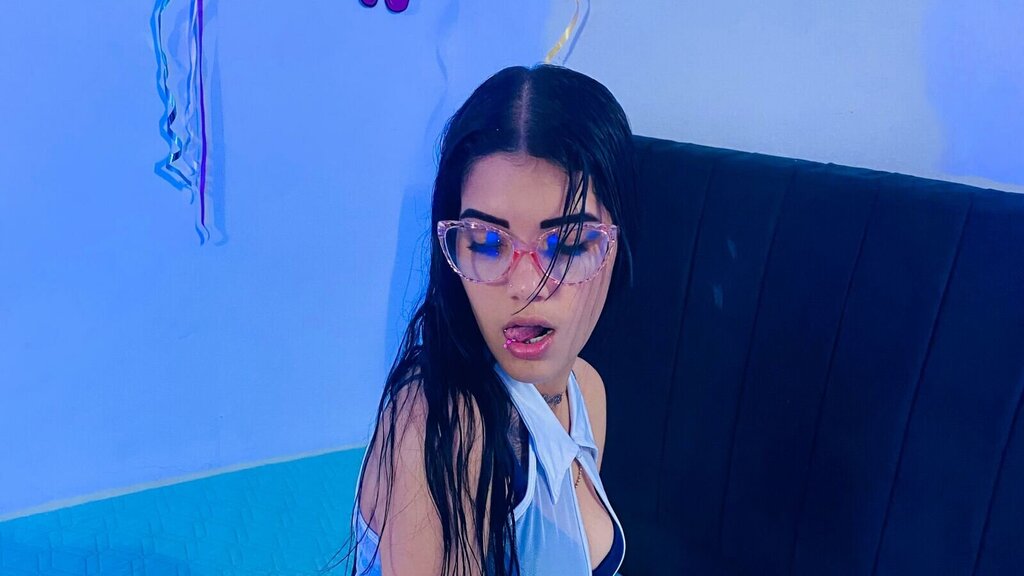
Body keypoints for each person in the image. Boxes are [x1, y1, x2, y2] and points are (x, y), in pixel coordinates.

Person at [349, 64, 635, 576]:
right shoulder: (443, 425)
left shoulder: (587, 392)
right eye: (485, 242)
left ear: (615, 247)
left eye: (567, 244)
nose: (524, 286)